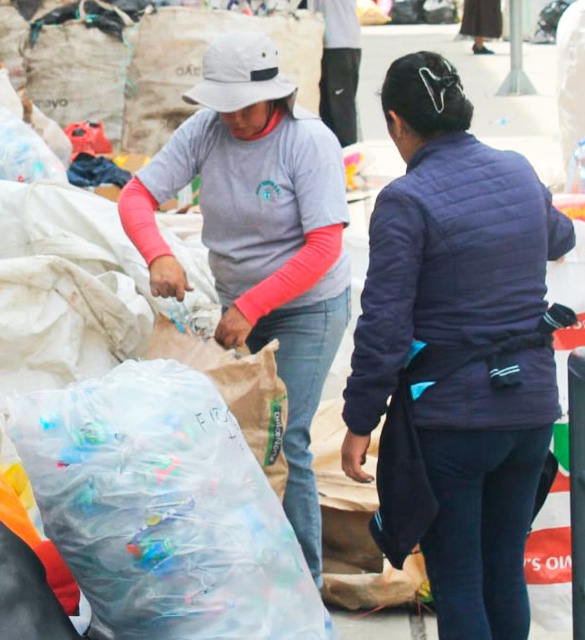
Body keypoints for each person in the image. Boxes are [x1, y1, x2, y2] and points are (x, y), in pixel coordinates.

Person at [340, 51, 576, 640]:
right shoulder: (519, 170)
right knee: (503, 570)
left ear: (396, 122)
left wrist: (359, 420)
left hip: (455, 422)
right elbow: (560, 234)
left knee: (459, 580)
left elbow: (384, 327)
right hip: (529, 414)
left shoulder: (405, 200)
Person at [117, 31, 350, 588]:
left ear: (274, 96)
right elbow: (135, 197)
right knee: (235, 431)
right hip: (238, 305)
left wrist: (252, 306)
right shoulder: (205, 131)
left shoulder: (307, 142)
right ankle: (248, 569)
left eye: (245, 108)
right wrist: (159, 255)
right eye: (224, 108)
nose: (236, 120)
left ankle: (303, 587)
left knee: (281, 436)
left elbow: (324, 246)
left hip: (308, 308)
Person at [309, 0, 363, 146]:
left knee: (341, 109)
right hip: (328, 44)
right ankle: (333, 154)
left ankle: (349, 155)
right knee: (326, 108)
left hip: (340, 44)